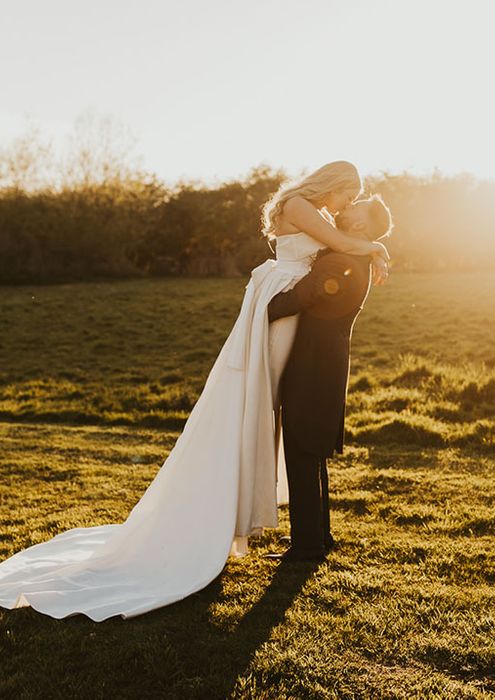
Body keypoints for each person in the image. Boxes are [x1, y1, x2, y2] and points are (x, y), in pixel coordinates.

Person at [0, 161, 390, 621]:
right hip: (278, 309)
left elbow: (340, 247)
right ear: (336, 185)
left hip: (292, 314)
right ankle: (237, 512)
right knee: (256, 403)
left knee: (274, 410)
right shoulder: (301, 204)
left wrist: (370, 246)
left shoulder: (321, 215)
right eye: (349, 196)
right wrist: (376, 248)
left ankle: (294, 529)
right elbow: (343, 245)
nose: (346, 206)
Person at [265, 195, 393, 561]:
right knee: (311, 452)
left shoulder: (342, 263)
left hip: (314, 367)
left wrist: (261, 306)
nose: (344, 207)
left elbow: (304, 296)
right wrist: (376, 249)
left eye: (356, 206)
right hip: (322, 365)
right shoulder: (351, 255)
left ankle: (307, 546)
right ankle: (317, 539)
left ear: (359, 226)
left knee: (303, 451)